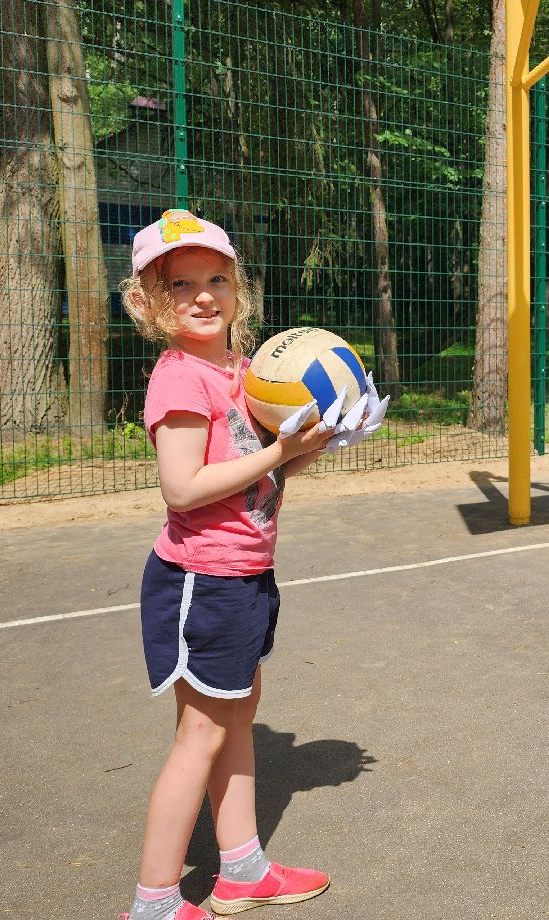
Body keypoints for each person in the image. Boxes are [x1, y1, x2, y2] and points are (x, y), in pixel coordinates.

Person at [119, 209, 383, 919]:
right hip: (201, 580)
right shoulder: (180, 380)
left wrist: (321, 438)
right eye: (180, 284)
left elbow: (266, 470)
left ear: (240, 290)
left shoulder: (246, 372)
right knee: (199, 737)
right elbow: (183, 487)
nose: (203, 295)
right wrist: (278, 453)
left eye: (217, 279)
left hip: (244, 575)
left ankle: (240, 871)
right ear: (147, 301)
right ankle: (154, 904)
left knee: (238, 721)